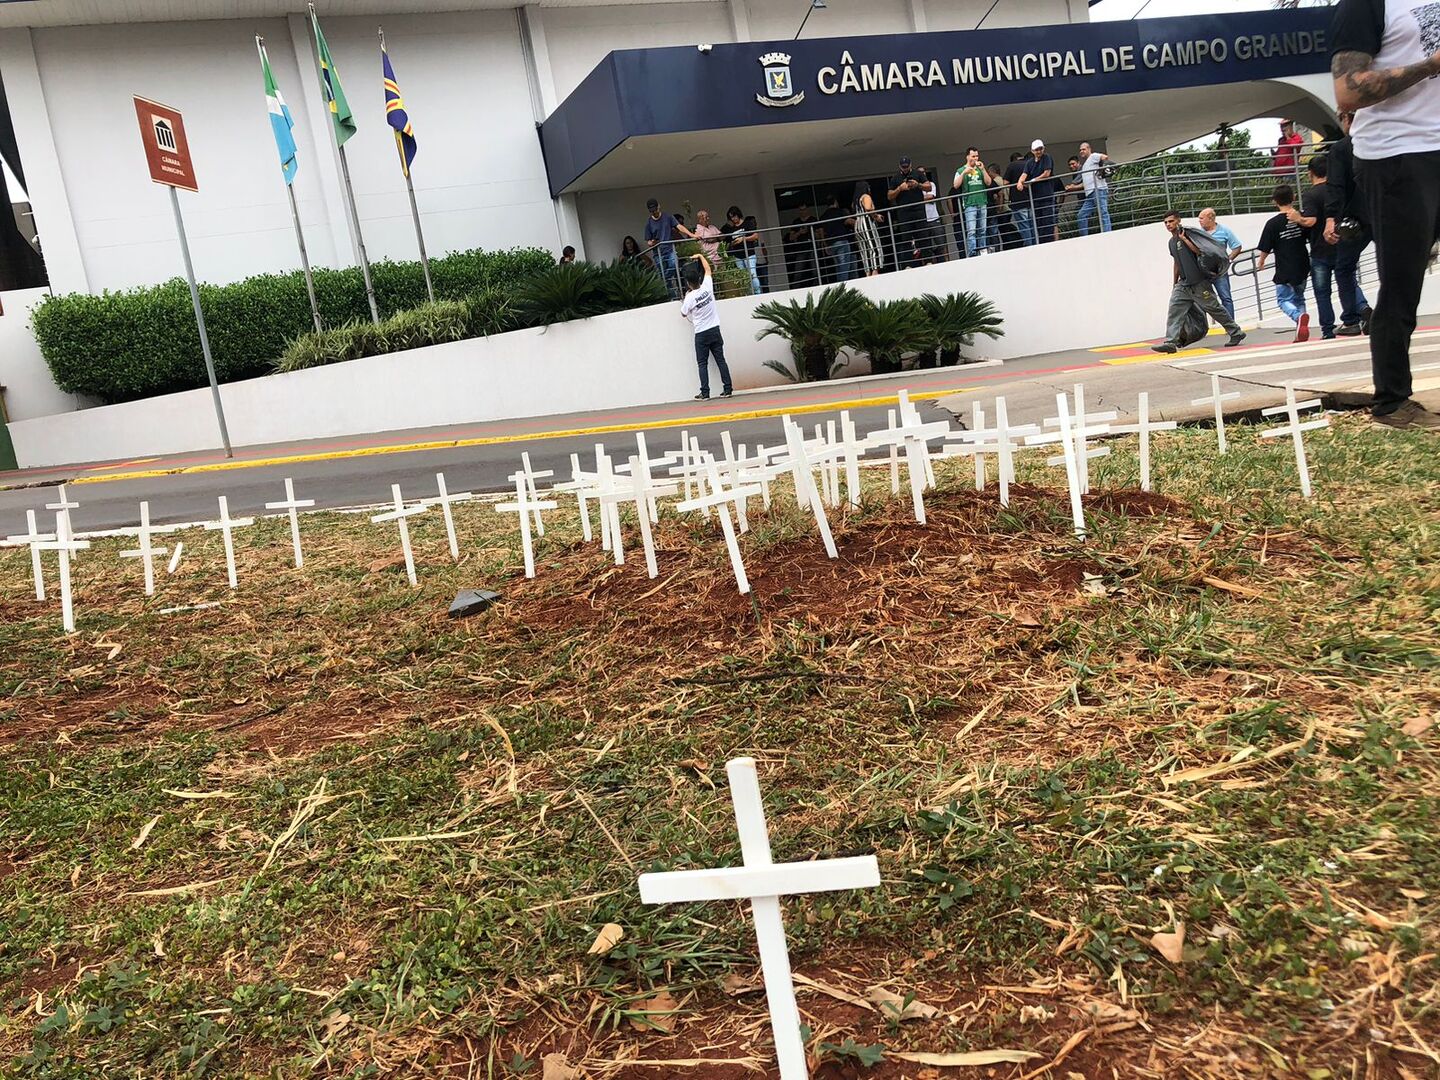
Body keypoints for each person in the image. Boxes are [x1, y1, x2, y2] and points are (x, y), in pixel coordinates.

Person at [1331, 0, 1440, 429]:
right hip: (1396, 154)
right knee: (1402, 283)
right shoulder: (1364, 6)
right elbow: (1349, 90)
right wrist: (1431, 65)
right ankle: (1392, 401)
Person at [1152, 210, 1246, 354]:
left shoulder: (1190, 234)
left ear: (1178, 221)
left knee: (1215, 309)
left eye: (1171, 221)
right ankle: (1170, 342)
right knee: (1174, 311)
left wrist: (1185, 240)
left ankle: (1236, 332)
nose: (1168, 224)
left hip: (1199, 283)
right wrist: (1174, 283)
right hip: (1183, 285)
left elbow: (1201, 251)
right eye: (1165, 222)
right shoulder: (1171, 242)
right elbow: (1176, 262)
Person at [1322, 110, 1373, 337]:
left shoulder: (1341, 149)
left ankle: (1351, 320)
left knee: (1344, 268)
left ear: (1346, 119)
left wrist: (1331, 218)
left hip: (1355, 220)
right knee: (1391, 265)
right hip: (1385, 213)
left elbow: (1336, 186)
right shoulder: (1380, 141)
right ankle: (1389, 313)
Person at [1256, 184, 1312, 343]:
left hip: (1284, 267)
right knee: (1299, 298)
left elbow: (1266, 246)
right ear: (1293, 198)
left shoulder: (1272, 224)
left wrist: (1261, 261)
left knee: (1283, 300)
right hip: (1303, 264)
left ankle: (1298, 316)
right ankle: (1301, 329)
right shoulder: (1300, 217)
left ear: (1275, 202)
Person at [680, 252, 732, 401]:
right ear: (699, 279)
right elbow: (708, 269)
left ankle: (705, 393)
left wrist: (686, 297)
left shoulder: (690, 297)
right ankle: (727, 389)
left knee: (702, 364)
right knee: (720, 360)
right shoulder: (708, 286)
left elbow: (683, 313)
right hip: (715, 329)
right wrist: (701, 257)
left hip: (701, 334)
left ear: (688, 283)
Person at [1299, 155, 1340, 339]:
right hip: (1341, 244)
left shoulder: (1310, 195)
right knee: (1348, 282)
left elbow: (1311, 220)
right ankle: (1360, 312)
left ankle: (1328, 329)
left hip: (1319, 249)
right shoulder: (1336, 190)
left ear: (1311, 173)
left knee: (1323, 292)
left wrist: (1297, 218)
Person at [1198, 208, 1244, 319]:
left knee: (1226, 297)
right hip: (1203, 272)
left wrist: (1228, 259)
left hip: (1220, 271)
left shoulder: (1224, 231)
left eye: (1201, 218)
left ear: (1211, 218)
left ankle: (1231, 326)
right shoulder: (1199, 233)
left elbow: (1237, 246)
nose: (1199, 221)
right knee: (1203, 299)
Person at [887, 156, 927, 267]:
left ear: (911, 165)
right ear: (900, 166)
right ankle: (907, 264)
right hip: (904, 211)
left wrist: (917, 185)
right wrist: (899, 188)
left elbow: (928, 186)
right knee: (906, 237)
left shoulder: (918, 174)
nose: (905, 168)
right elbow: (889, 196)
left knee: (923, 235)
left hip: (918, 209)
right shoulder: (895, 178)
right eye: (903, 167)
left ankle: (927, 260)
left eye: (907, 166)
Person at [1015, 140, 1055, 246]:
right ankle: (1042, 244)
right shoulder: (1030, 163)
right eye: (1037, 150)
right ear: (1032, 151)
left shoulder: (1047, 158)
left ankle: (1049, 243)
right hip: (1036, 198)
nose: (1039, 151)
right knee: (1038, 223)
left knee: (1047, 222)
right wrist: (1020, 182)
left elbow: (1047, 173)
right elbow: (1024, 174)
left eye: (1040, 149)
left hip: (1046, 196)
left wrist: (1032, 181)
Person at [952, 148, 990, 257]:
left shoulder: (980, 168)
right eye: (973, 156)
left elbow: (988, 182)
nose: (975, 158)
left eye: (977, 156)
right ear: (967, 157)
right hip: (969, 204)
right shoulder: (960, 170)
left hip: (982, 202)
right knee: (971, 231)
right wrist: (964, 172)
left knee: (982, 230)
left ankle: (982, 251)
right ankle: (972, 253)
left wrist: (983, 170)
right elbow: (955, 185)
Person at [644, 198, 682, 299]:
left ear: (659, 206)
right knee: (667, 282)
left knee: (673, 264)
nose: (654, 212)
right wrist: (652, 242)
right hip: (658, 253)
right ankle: (673, 298)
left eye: (655, 210)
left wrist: (691, 234)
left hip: (669, 249)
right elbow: (648, 241)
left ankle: (665, 277)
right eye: (652, 211)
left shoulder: (667, 217)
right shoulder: (649, 223)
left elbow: (679, 226)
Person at [722, 205, 762, 295]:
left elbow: (755, 236)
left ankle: (757, 293)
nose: (733, 219)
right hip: (738, 256)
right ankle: (748, 294)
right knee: (743, 277)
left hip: (749, 254)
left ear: (738, 214)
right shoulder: (731, 228)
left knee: (752, 274)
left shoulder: (747, 224)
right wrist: (733, 243)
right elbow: (728, 242)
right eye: (731, 217)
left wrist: (743, 239)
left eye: (734, 216)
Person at [1076, 142, 1113, 236]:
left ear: (1089, 149)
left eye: (1083, 149)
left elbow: (1104, 157)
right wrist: (1072, 187)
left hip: (1098, 189)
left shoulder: (1093, 156)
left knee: (1103, 212)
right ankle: (1084, 237)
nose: (1081, 151)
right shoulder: (1085, 165)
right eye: (1080, 150)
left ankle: (1107, 234)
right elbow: (1085, 183)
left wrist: (1102, 170)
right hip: (1090, 194)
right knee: (1081, 215)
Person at [819, 192, 855, 283]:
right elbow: (848, 221)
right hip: (842, 241)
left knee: (838, 266)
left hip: (831, 244)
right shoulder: (839, 212)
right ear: (835, 202)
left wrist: (825, 244)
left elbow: (821, 230)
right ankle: (843, 286)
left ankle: (840, 285)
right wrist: (859, 221)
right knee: (844, 266)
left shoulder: (824, 216)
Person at [783, 204, 820, 290]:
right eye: (801, 210)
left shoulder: (813, 220)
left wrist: (810, 232)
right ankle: (795, 289)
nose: (803, 212)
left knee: (816, 270)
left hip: (812, 248)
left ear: (807, 210)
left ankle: (817, 287)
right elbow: (791, 238)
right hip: (800, 249)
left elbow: (819, 235)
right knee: (798, 272)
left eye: (804, 210)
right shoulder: (796, 222)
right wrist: (799, 232)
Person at [852, 181, 884, 276]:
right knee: (874, 246)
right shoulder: (866, 196)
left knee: (864, 250)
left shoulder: (856, 200)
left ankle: (867, 272)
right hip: (866, 223)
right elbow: (868, 208)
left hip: (858, 224)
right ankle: (875, 271)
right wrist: (876, 216)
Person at [1000, 152, 1027, 250]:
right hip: (1030, 199)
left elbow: (1005, 182)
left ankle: (1029, 244)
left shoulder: (1012, 165)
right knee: (1032, 223)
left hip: (1018, 200)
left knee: (1024, 225)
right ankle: (1034, 242)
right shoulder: (1028, 164)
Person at [917, 167, 943, 262]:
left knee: (940, 244)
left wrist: (918, 199)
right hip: (923, 221)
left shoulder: (931, 184)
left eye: (924, 172)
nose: (923, 174)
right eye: (920, 173)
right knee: (926, 247)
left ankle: (942, 263)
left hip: (934, 219)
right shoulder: (915, 188)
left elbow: (931, 197)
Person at [1058, 156, 1083, 240]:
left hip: (1087, 199)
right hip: (1082, 199)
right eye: (1070, 165)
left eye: (1073, 164)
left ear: (1078, 163)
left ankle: (1083, 236)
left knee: (1080, 215)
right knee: (1078, 215)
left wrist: (1069, 189)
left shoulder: (1082, 170)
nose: (1071, 166)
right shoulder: (1075, 173)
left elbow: (1077, 185)